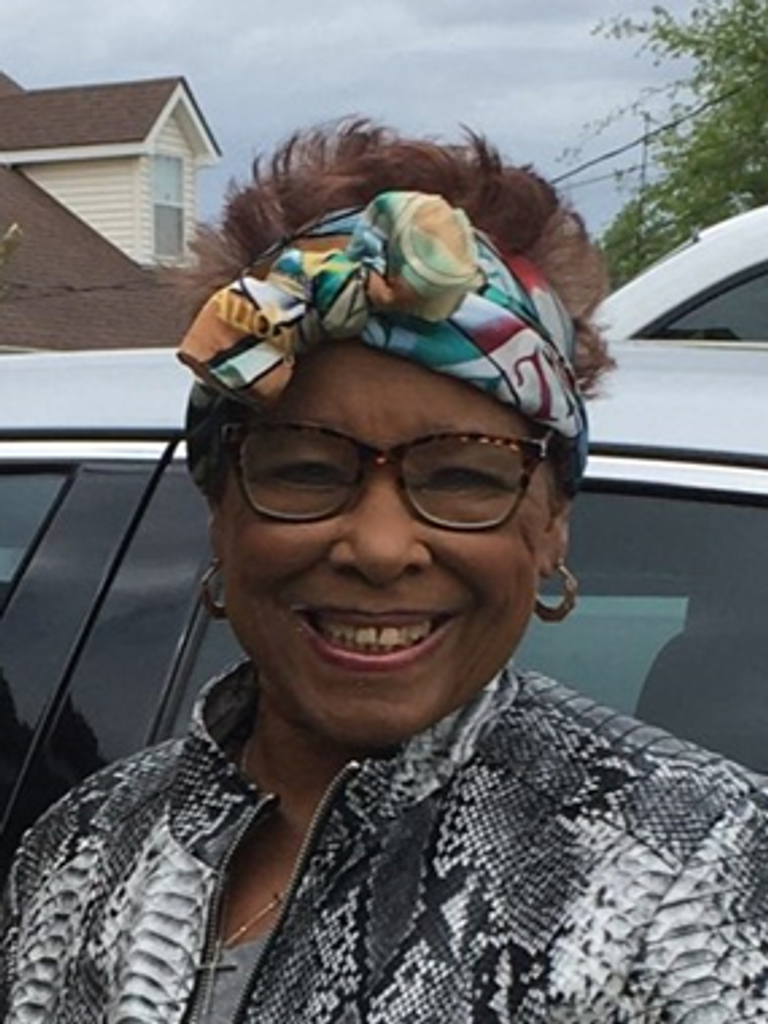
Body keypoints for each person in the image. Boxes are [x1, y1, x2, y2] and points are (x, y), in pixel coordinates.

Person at [2, 119, 768, 1023]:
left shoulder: (696, 872)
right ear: (220, 512)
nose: (378, 547)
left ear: (551, 522)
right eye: (306, 469)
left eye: (463, 475)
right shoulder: (86, 847)